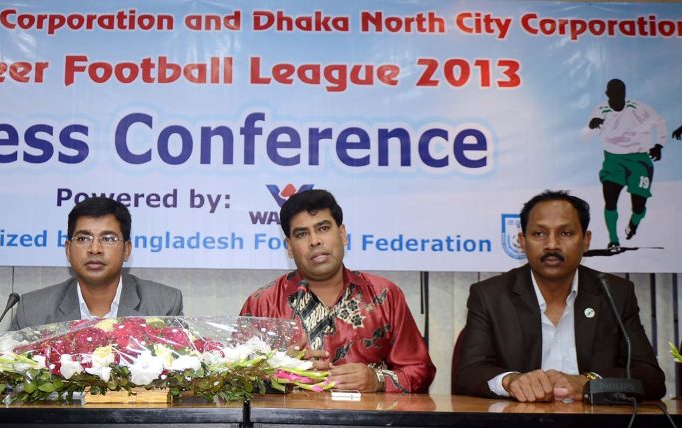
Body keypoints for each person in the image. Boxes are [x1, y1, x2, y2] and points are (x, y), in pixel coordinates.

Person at [453, 190, 665, 402]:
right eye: (539, 234)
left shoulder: (614, 293)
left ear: (586, 240)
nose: (552, 244)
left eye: (566, 233)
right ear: (522, 241)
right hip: (519, 425)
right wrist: (511, 381)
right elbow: (468, 374)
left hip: (597, 426)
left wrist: (587, 382)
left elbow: (651, 378)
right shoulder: (490, 295)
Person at [239, 189, 434, 393]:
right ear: (289, 246)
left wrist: (377, 380)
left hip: (369, 423)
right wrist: (279, 373)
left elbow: (420, 370)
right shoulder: (263, 303)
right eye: (302, 234)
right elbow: (236, 379)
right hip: (290, 424)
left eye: (323, 228)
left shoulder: (384, 296)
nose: (314, 241)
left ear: (342, 234)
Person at [10, 197, 182, 330]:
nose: (94, 249)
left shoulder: (163, 306)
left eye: (108, 239)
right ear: (68, 250)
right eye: (83, 238)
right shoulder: (33, 311)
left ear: (127, 250)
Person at [588, 79, 667, 252]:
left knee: (638, 206)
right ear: (608, 94)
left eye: (621, 93)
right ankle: (613, 240)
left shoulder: (638, 108)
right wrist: (592, 125)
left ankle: (634, 222)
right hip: (613, 160)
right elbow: (589, 130)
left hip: (639, 160)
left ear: (625, 93)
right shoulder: (600, 109)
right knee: (610, 200)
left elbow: (659, 121)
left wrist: (659, 145)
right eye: (614, 93)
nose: (618, 97)